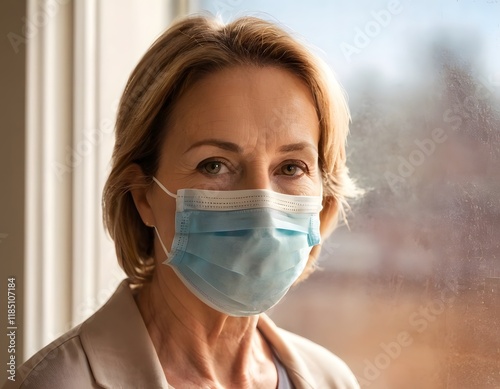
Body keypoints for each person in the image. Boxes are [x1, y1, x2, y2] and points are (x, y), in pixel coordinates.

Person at [5, 15, 360, 388]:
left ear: (325, 198)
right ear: (142, 195)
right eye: (215, 165)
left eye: (290, 167)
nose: (262, 205)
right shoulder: (53, 382)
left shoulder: (332, 379)